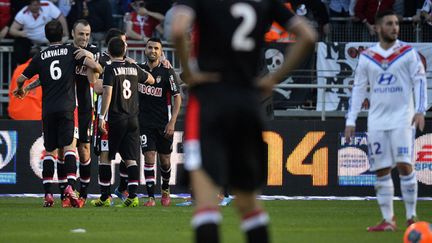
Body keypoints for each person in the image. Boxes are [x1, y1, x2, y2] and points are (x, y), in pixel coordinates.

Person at [171, 1, 317, 242]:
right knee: (248, 203)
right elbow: (308, 36)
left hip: (209, 100)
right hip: (246, 103)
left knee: (206, 202)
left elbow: (177, 30)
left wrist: (190, 72)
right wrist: (273, 79)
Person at [345, 10, 427, 231]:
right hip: (377, 120)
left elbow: (420, 81)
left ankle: (411, 216)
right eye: (390, 24)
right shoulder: (367, 57)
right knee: (381, 169)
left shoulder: (408, 53)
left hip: (403, 117)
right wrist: (350, 120)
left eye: (396, 24)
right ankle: (388, 220)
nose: (395, 27)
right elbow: (358, 90)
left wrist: (420, 110)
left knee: (404, 164)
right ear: (379, 27)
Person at [13, 19, 100, 207]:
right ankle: (66, 193)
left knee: (83, 152)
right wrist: (30, 87)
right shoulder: (70, 51)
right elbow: (50, 77)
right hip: (69, 107)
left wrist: (24, 87)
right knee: (65, 150)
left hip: (83, 108)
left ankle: (78, 193)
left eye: (87, 34)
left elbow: (95, 78)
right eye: (81, 34)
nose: (84, 37)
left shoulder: (91, 51)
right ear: (71, 34)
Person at [92, 37, 154, 208]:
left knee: (105, 157)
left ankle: (105, 197)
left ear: (109, 52)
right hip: (133, 119)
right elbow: (151, 79)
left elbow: (107, 92)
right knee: (130, 159)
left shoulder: (111, 68)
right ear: (124, 51)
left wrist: (102, 116)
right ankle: (133, 197)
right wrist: (133, 67)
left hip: (115, 118)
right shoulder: (133, 67)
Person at [137, 38, 181, 207]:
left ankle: (165, 189)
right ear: (145, 50)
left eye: (156, 48)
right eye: (150, 47)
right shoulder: (139, 69)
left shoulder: (167, 71)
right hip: (144, 123)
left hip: (163, 123)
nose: (153, 50)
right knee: (149, 157)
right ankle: (150, 198)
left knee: (165, 161)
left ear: (161, 52)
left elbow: (177, 98)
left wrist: (172, 122)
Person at [9, 0, 69, 66]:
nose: (37, 7)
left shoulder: (47, 5)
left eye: (38, 4)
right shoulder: (22, 13)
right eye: (34, 5)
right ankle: (23, 68)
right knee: (20, 46)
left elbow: (60, 17)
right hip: (30, 42)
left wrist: (66, 33)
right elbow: (12, 30)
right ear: (29, 6)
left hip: (49, 40)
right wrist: (20, 33)